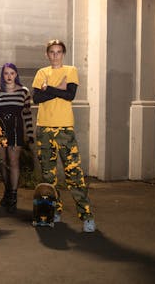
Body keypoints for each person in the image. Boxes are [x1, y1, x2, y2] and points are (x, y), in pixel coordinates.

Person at [32, 39, 96, 233]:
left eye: (59, 52)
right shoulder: (41, 73)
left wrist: (48, 89)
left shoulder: (71, 70)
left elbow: (70, 95)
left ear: (63, 54)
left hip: (64, 130)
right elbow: (37, 98)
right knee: (48, 176)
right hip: (44, 129)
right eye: (52, 52)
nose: (55, 55)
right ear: (47, 54)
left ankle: (86, 217)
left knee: (74, 174)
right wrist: (58, 89)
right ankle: (54, 211)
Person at [0, 63, 34, 213]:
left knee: (13, 161)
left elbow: (26, 114)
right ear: (2, 75)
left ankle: (13, 195)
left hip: (16, 130)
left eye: (12, 73)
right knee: (1, 161)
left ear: (16, 75)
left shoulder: (23, 92)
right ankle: (7, 188)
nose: (9, 76)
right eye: (6, 73)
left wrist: (30, 134)